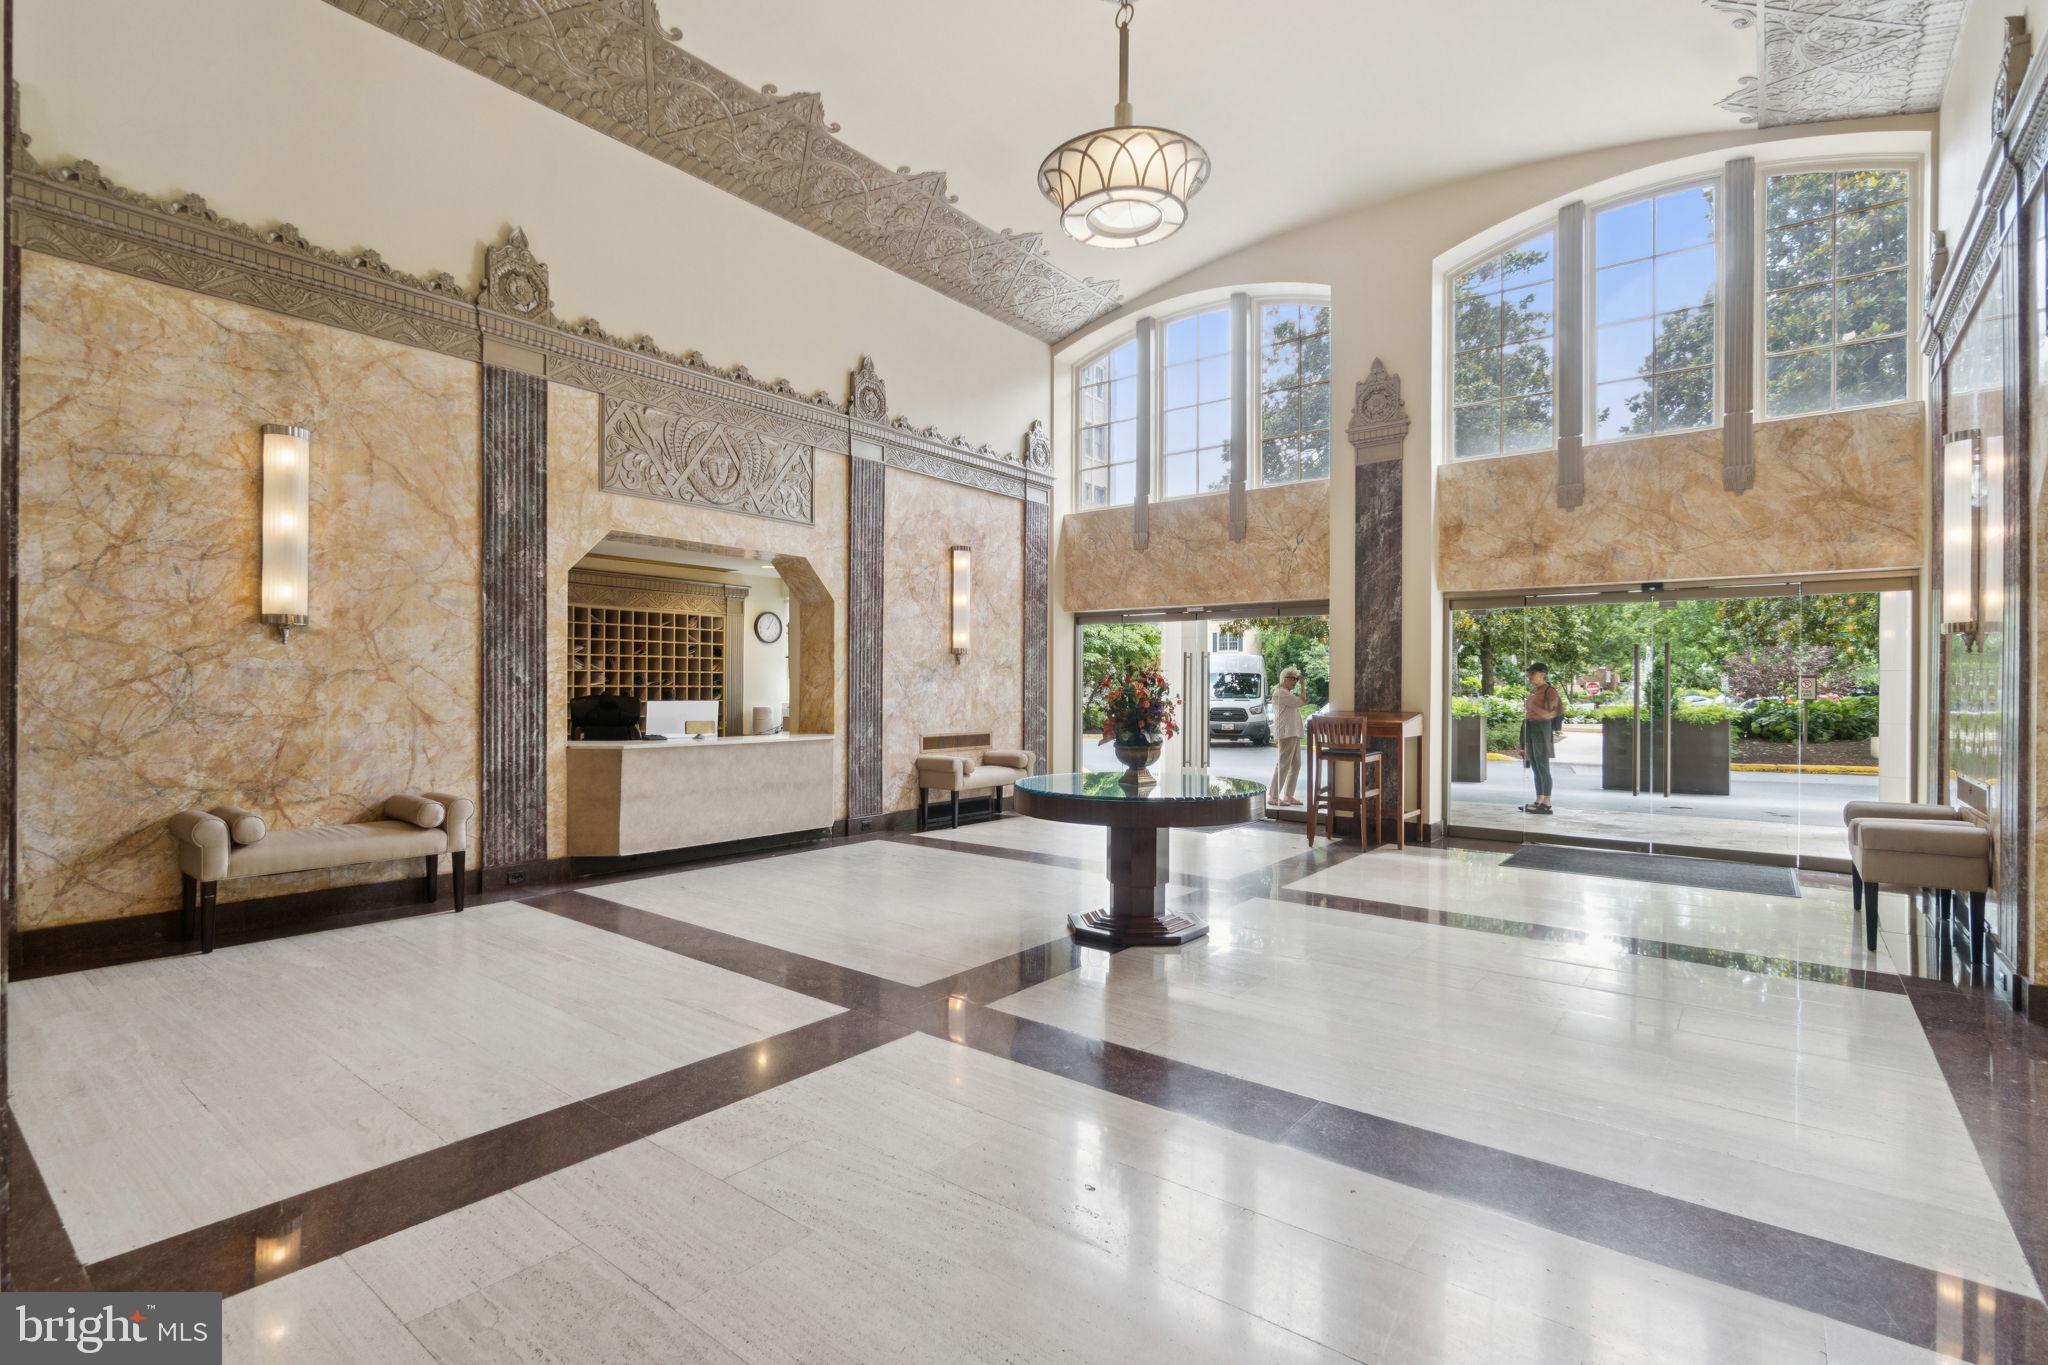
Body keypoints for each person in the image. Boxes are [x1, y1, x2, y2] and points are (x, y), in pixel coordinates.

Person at [1520, 662, 1563, 815]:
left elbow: (1552, 714)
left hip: (1542, 729)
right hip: (1531, 728)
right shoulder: (1535, 690)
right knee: (1536, 767)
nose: (1529, 676)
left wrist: (1532, 707)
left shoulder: (1550, 691)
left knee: (1543, 766)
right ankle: (1539, 800)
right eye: (1529, 673)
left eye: (1532, 673)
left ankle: (1547, 802)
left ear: (1542, 674)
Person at [1268, 667, 1309, 807]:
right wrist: (1303, 685)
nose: (1295, 682)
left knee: (1296, 764)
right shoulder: (1280, 693)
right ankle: (1273, 796)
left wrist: (1302, 685)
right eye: (1292, 678)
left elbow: (1303, 700)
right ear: (1284, 678)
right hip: (1287, 733)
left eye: (1296, 679)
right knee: (1284, 764)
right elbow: (1303, 701)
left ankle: (1288, 795)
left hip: (1293, 732)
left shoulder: (1286, 693)